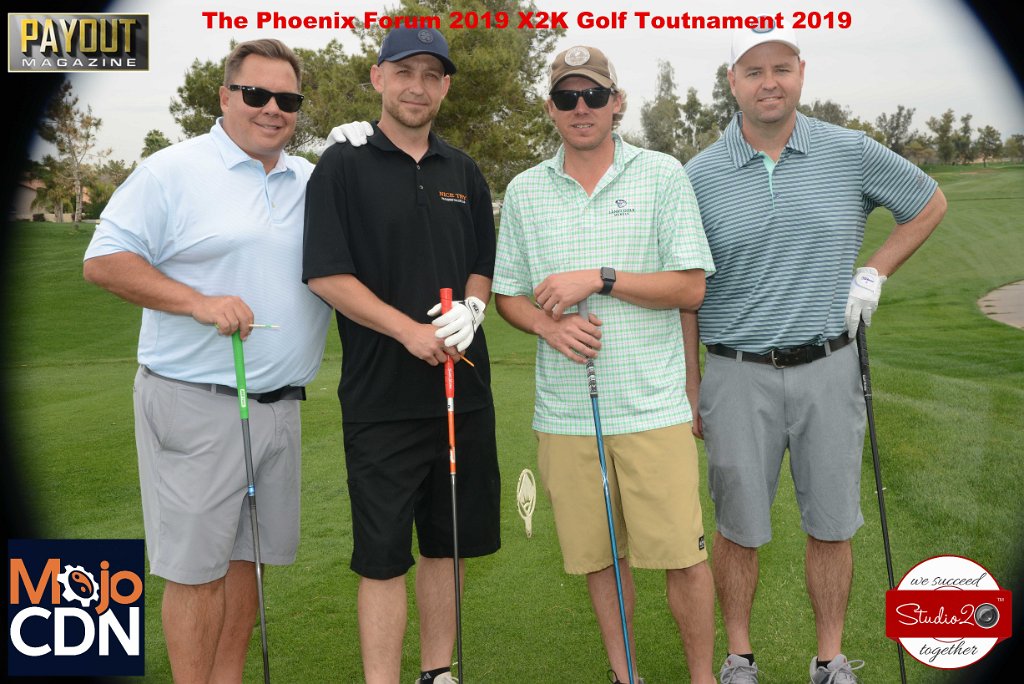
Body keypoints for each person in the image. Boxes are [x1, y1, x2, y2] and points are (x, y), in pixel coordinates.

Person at [682, 27, 947, 684]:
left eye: (781, 67)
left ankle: (829, 659)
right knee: (738, 526)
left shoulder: (849, 150)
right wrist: (691, 385)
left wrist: (874, 271)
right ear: (732, 82)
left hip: (830, 365)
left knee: (831, 523)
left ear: (801, 71)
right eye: (753, 71)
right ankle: (739, 657)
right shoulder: (697, 175)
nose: (769, 82)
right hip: (735, 372)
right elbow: (686, 291)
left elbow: (928, 203)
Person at [82, 39, 331, 682]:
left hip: (280, 405)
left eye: (287, 99)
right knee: (195, 571)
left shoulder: (311, 180)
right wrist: (196, 301)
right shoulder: (173, 170)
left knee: (248, 561)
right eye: (257, 94)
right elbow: (104, 261)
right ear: (225, 97)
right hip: (195, 401)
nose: (273, 108)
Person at [492, 46, 717, 684]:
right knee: (601, 561)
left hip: (652, 407)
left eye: (594, 95)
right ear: (551, 108)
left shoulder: (662, 174)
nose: (582, 108)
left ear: (617, 102)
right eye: (567, 97)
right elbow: (508, 294)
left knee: (684, 558)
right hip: (566, 415)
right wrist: (547, 325)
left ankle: (703, 677)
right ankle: (626, 676)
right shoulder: (525, 190)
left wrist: (601, 277)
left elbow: (690, 286)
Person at [302, 27, 500, 684]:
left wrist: (473, 308)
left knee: (448, 546)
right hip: (380, 400)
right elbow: (326, 274)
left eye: (431, 75)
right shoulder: (342, 165)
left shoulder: (463, 171)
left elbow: (481, 264)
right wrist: (407, 331)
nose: (418, 87)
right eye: (404, 72)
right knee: (383, 557)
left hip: (462, 395)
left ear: (445, 87)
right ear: (378, 77)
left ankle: (438, 672)